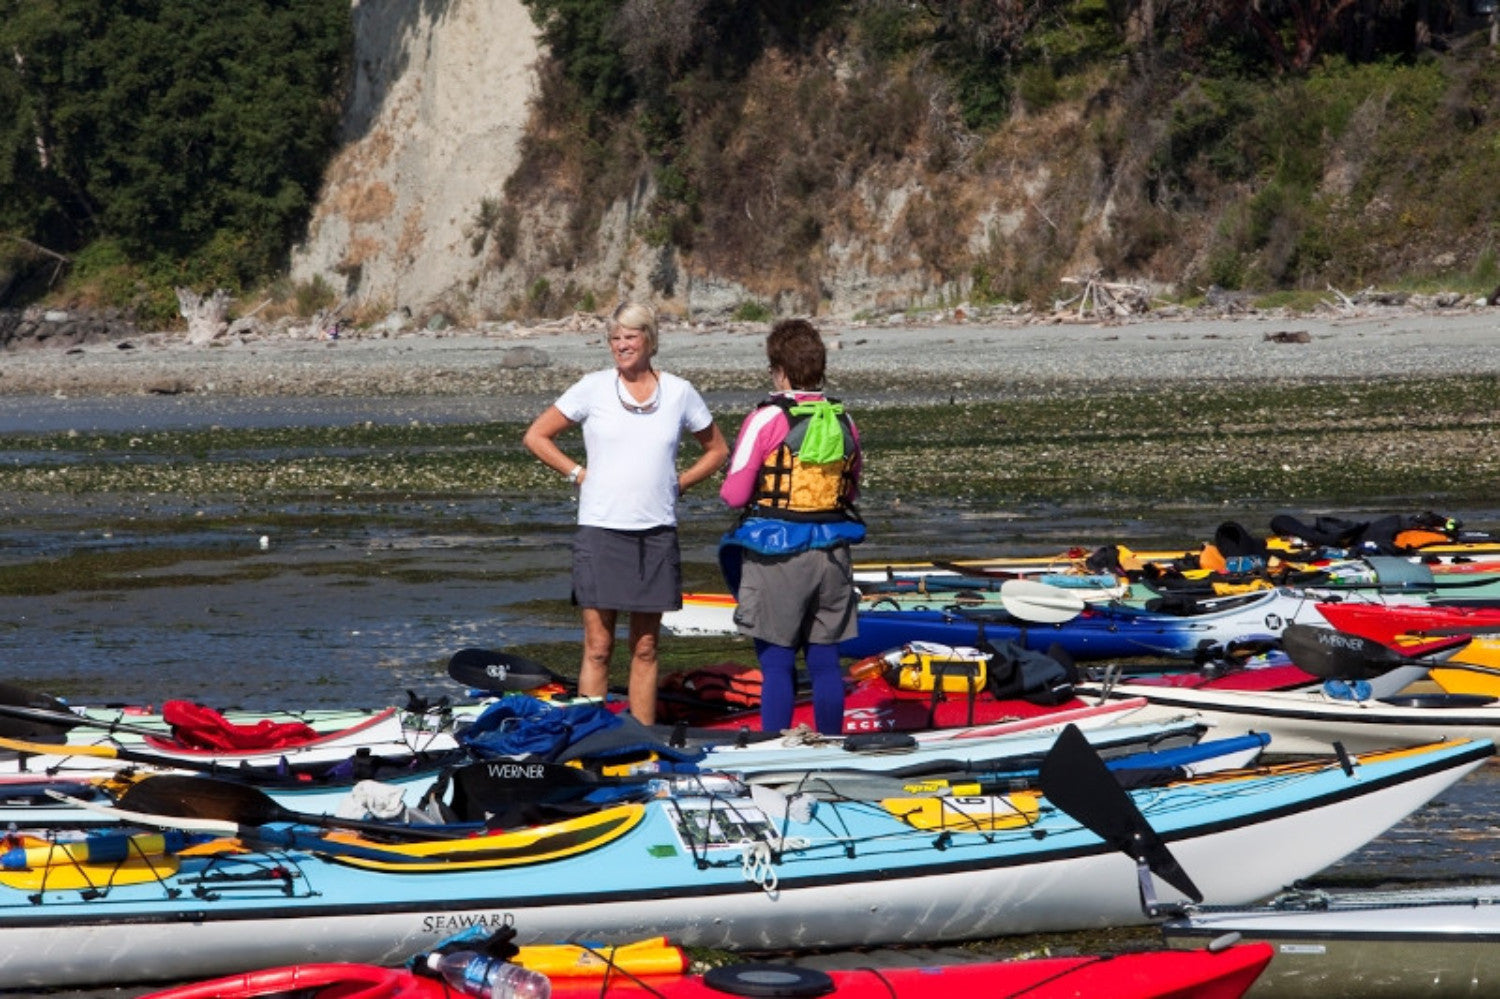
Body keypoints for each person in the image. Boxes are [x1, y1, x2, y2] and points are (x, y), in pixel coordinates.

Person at [523, 302, 728, 725]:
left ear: (649, 340)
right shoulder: (592, 387)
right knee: (598, 646)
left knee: (646, 645)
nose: (621, 345)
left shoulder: (679, 391)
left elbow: (718, 450)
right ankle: (587, 736)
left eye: (629, 337)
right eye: (614, 338)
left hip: (655, 533)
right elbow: (537, 436)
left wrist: (681, 482)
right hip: (599, 531)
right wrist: (577, 473)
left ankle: (642, 740)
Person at [718, 318, 865, 735]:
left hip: (776, 552)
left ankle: (773, 748)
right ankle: (832, 746)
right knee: (824, 659)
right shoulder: (844, 420)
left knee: (777, 659)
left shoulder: (766, 419)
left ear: (778, 370)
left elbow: (734, 493)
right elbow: (849, 492)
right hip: (833, 554)